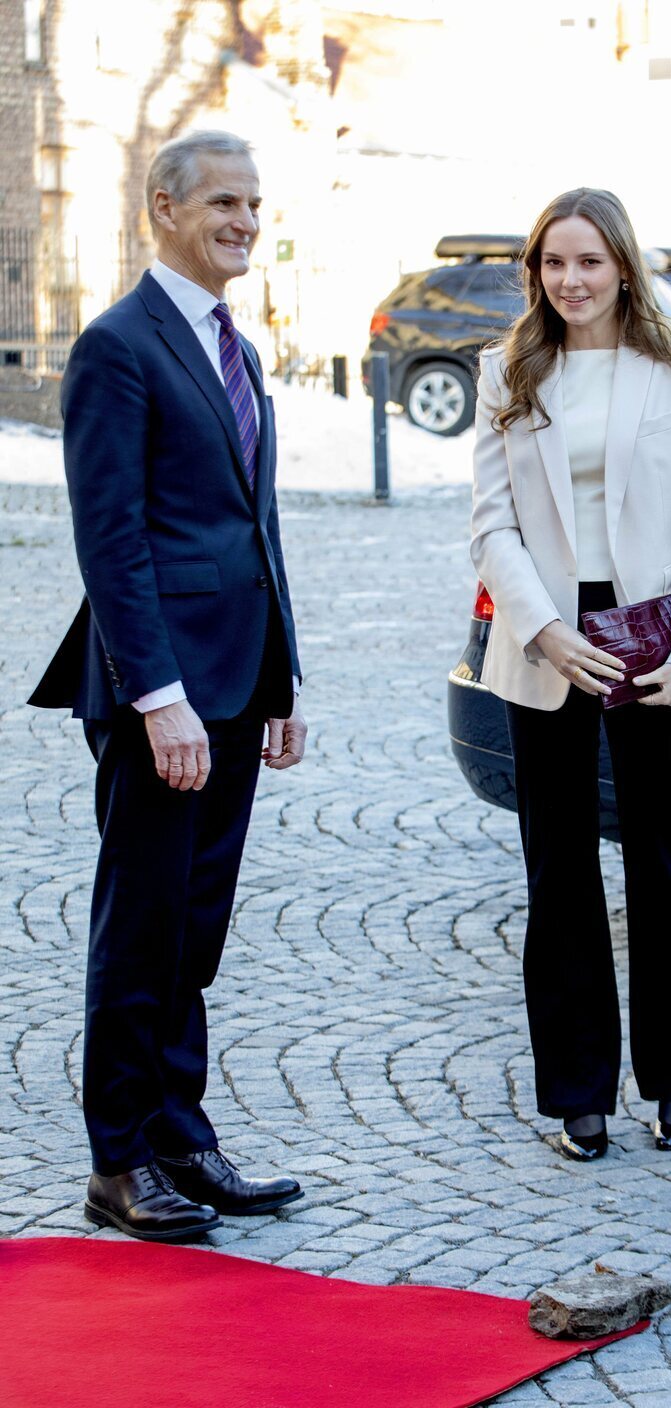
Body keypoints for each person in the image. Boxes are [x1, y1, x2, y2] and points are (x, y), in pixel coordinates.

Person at [29, 131, 308, 1240]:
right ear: (163, 208)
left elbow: (259, 528)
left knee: (195, 928)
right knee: (140, 927)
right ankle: (115, 1163)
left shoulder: (234, 348)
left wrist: (284, 675)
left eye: (252, 202)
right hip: (165, 699)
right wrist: (157, 696)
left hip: (239, 685)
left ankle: (181, 1137)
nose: (244, 220)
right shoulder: (118, 347)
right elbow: (113, 541)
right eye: (224, 203)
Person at [470, 188, 671, 1161]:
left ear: (622, 264)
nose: (569, 280)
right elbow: (489, 525)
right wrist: (541, 629)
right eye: (551, 262)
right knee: (560, 869)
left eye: (587, 260)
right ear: (534, 272)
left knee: (661, 862)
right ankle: (577, 1092)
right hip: (547, 643)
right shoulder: (508, 369)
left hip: (655, 637)